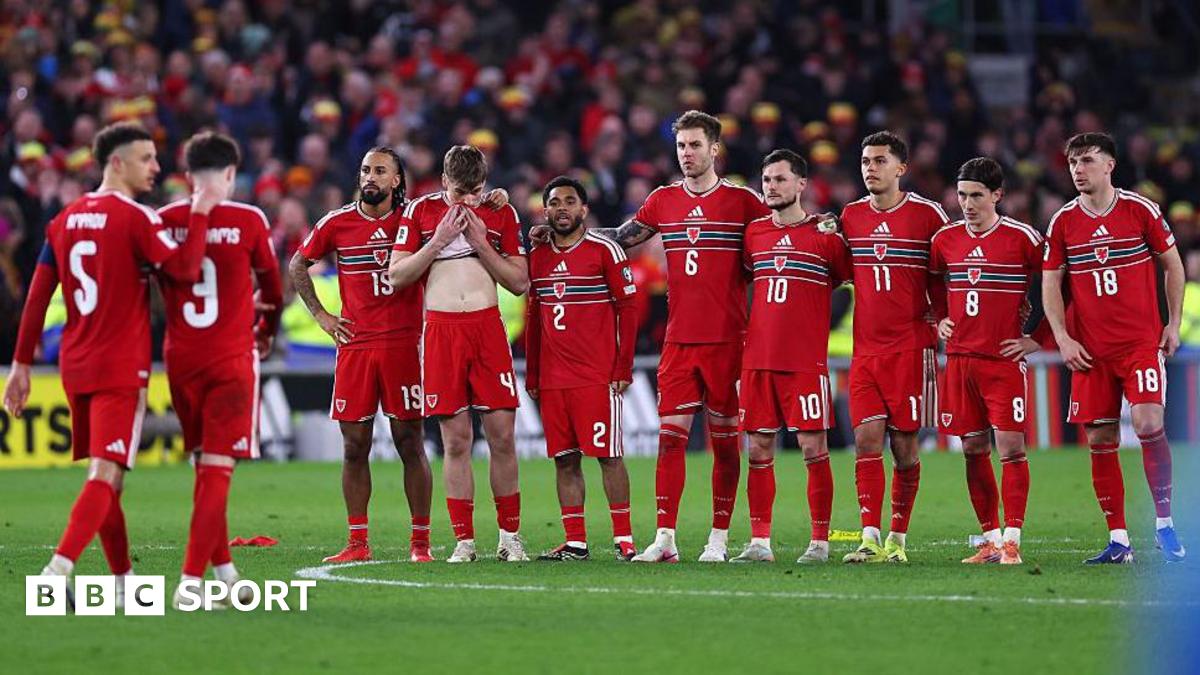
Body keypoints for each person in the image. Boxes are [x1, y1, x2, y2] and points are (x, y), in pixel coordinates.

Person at [531, 111, 770, 563]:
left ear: (714, 149)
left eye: (695, 145)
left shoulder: (742, 202)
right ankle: (665, 538)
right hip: (678, 343)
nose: (687, 154)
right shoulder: (663, 200)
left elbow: (779, 234)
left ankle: (719, 538)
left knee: (723, 442)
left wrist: (821, 225)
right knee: (670, 440)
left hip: (728, 341)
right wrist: (565, 234)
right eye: (681, 146)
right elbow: (622, 237)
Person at [2, 122, 208, 607]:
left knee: (105, 474)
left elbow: (37, 296)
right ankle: (57, 569)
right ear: (117, 163)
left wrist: (20, 363)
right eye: (146, 159)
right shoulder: (137, 219)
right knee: (106, 472)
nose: (156, 168)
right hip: (120, 365)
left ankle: (123, 581)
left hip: (76, 363)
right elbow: (183, 272)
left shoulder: (64, 219)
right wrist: (198, 215)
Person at [1043, 132, 1186, 564]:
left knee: (1146, 424)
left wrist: (1173, 324)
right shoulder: (1063, 221)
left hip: (1140, 344)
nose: (1078, 169)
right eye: (1072, 163)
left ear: (1109, 165)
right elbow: (1050, 283)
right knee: (1101, 438)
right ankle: (1119, 538)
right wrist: (1064, 339)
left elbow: (1173, 266)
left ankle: (1164, 523)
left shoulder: (1139, 210)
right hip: (1090, 351)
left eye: (1087, 160)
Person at [290, 147, 435, 563]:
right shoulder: (336, 223)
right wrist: (321, 315)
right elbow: (298, 264)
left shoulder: (414, 220)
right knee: (355, 446)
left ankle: (420, 544)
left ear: (396, 181)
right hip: (355, 347)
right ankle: (357, 544)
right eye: (365, 169)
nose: (370, 177)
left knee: (410, 442)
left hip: (403, 346)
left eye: (379, 171)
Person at [158, 131, 284, 605]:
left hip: (180, 358)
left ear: (188, 176)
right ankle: (191, 582)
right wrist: (267, 324)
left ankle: (225, 571)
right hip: (231, 358)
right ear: (230, 174)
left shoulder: (163, 220)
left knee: (204, 465)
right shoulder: (249, 219)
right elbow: (272, 290)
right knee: (216, 468)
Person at [389, 145, 529, 563]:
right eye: (458, 193)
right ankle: (464, 540)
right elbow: (397, 275)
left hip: (487, 328)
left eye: (475, 192)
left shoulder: (501, 212)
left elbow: (519, 282)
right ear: (443, 182)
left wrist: (481, 243)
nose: (467, 201)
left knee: (503, 436)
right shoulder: (419, 212)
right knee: (456, 442)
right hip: (443, 332)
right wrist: (439, 241)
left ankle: (509, 537)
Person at [731, 150, 851, 564]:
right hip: (758, 359)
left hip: (805, 362)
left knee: (812, 447)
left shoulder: (826, 235)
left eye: (780, 180)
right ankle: (760, 542)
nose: (771, 187)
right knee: (759, 449)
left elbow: (848, 280)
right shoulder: (754, 234)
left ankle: (820, 541)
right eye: (766, 180)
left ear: (801, 185)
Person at [839, 131, 949, 564]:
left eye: (880, 161)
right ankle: (868, 538)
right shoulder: (850, 217)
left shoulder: (927, 215)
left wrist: (941, 314)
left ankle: (897, 540)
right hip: (865, 351)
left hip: (911, 349)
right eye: (866, 160)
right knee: (867, 441)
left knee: (904, 448)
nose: (870, 168)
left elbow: (950, 267)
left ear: (901, 168)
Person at [929, 157, 1043, 565]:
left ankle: (1012, 539)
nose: (968, 204)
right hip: (960, 360)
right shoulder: (945, 240)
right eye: (962, 195)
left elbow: (1058, 282)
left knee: (1011, 448)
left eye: (976, 195)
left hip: (1003, 360)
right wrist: (939, 317)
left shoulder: (1023, 238)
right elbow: (932, 281)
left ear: (997, 195)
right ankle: (990, 540)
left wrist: (1039, 338)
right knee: (973, 449)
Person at [525, 176, 639, 561]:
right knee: (565, 459)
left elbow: (629, 308)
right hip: (554, 380)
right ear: (545, 210)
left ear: (584, 210)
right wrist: (534, 374)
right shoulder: (537, 256)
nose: (562, 208)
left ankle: (624, 538)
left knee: (608, 455)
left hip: (596, 376)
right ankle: (575, 541)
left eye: (570, 201)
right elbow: (533, 315)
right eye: (554, 202)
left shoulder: (605, 250)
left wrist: (623, 366)